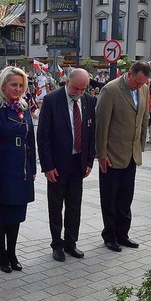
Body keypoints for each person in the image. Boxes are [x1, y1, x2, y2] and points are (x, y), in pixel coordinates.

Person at [37, 68, 95, 263]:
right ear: (67, 82)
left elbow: (90, 132)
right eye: (76, 88)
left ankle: (71, 242)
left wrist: (89, 161)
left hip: (78, 162)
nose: (79, 93)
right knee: (55, 205)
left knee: (74, 205)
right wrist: (47, 166)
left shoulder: (88, 100)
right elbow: (43, 136)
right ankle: (57, 244)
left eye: (83, 89)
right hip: (57, 164)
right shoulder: (52, 100)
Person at [0, 66, 37, 272]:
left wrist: (32, 166)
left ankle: (12, 252)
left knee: (16, 214)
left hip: (20, 170)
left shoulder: (23, 107)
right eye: (14, 84)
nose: (17, 89)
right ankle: (1, 254)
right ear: (3, 85)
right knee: (0, 215)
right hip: (0, 170)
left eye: (21, 85)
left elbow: (30, 140)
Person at [95, 61, 150, 252]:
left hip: (131, 155)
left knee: (126, 198)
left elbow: (144, 118)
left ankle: (122, 234)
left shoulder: (143, 89)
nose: (139, 87)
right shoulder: (111, 90)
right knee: (110, 199)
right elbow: (101, 124)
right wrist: (101, 154)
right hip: (112, 155)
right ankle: (109, 236)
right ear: (129, 74)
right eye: (136, 83)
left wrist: (140, 146)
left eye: (142, 84)